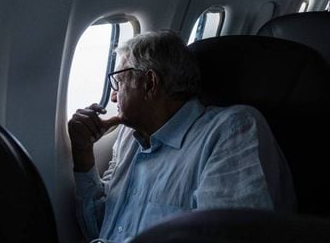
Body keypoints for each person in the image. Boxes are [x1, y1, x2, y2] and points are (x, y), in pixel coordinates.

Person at [68, 30, 296, 243]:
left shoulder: (232, 130)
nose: (114, 97)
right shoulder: (130, 138)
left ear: (149, 83)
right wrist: (82, 153)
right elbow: (101, 230)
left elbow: (229, 236)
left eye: (119, 82)